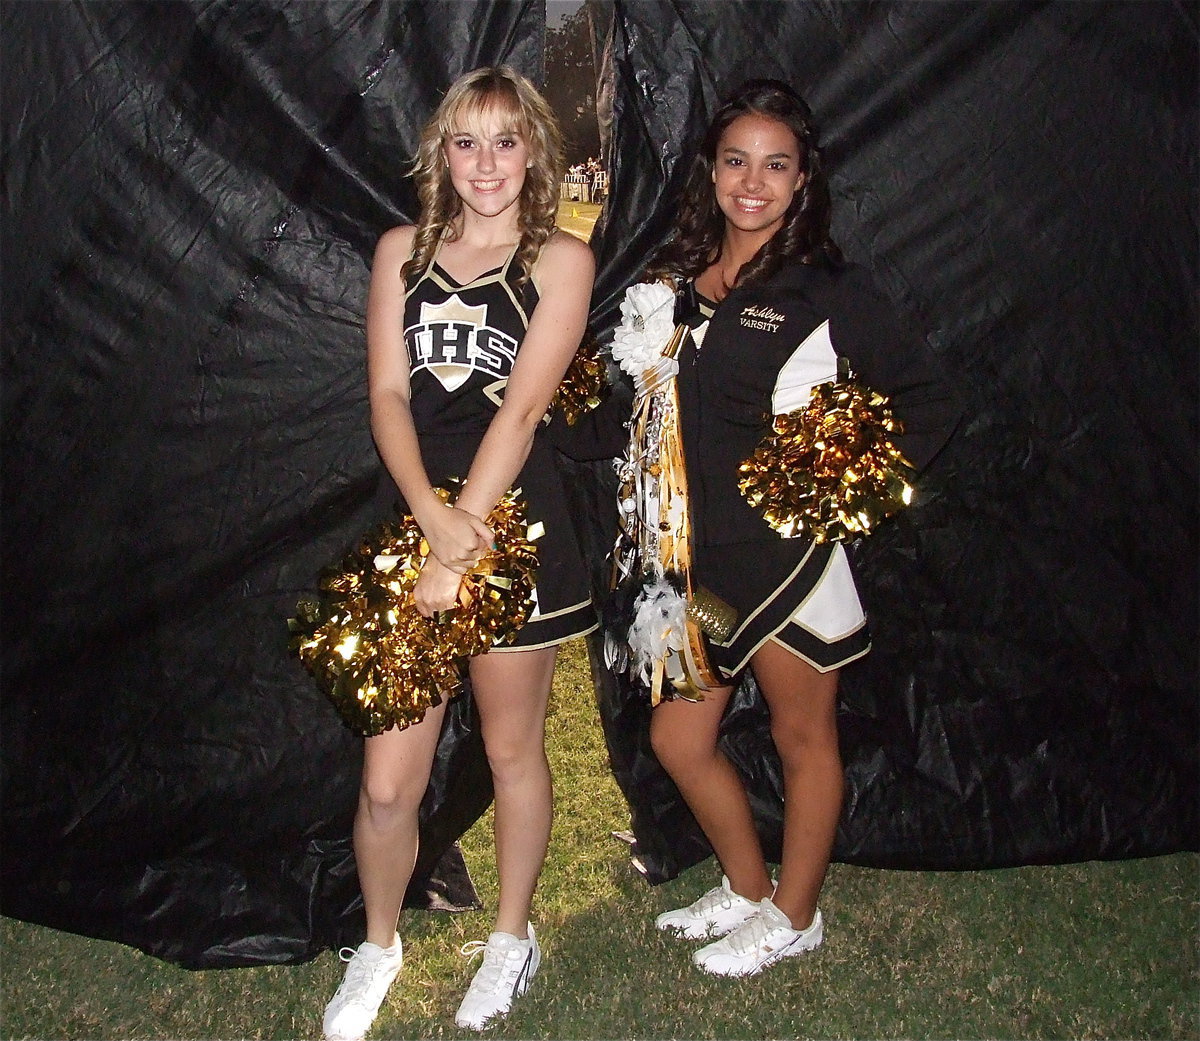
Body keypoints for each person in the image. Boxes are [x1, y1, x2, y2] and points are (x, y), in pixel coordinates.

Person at [613, 80, 957, 977]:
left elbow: (927, 402)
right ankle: (748, 886)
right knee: (679, 741)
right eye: (736, 161)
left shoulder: (825, 289)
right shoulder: (675, 285)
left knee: (805, 740)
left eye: (776, 164)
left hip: (789, 562)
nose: (753, 182)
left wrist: (841, 491)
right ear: (711, 172)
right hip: (696, 566)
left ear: (803, 179)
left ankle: (797, 914)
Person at [321, 66, 595, 1039]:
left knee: (513, 747)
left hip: (513, 530)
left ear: (535, 154)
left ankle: (510, 940)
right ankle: (380, 943)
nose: (486, 162)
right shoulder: (401, 249)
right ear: (443, 151)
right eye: (467, 141)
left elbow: (523, 409)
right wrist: (428, 527)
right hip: (416, 525)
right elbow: (388, 397)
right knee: (389, 780)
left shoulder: (561, 261)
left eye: (507, 140)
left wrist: (463, 532)